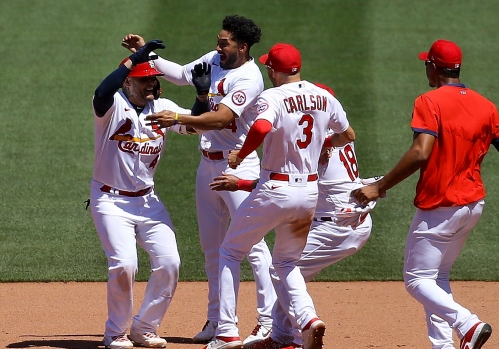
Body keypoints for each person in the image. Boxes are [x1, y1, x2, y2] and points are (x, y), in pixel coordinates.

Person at [352, 39, 499, 349]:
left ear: (434, 68)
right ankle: (443, 345)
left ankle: (468, 324)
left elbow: (421, 153)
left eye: (427, 63)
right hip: (473, 205)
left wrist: (378, 186)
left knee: (416, 280)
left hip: (440, 206)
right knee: (436, 277)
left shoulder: (429, 101)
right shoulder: (484, 105)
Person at [123, 15, 276, 346]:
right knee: (212, 250)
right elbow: (179, 76)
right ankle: (217, 319)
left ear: (243, 47)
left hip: (239, 166)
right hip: (207, 167)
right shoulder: (215, 59)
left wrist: (178, 116)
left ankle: (267, 321)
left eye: (225, 43)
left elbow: (221, 119)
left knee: (253, 246)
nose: (218, 46)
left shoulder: (249, 78)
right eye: (219, 41)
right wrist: (144, 55)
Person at [197, 43, 356, 349]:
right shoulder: (324, 97)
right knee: (285, 264)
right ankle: (308, 319)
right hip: (308, 193)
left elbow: (260, 126)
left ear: (274, 70)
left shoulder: (273, 96)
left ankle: (227, 332)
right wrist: (325, 144)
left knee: (230, 251)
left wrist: (240, 155)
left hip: (275, 189)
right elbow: (348, 135)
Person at [90, 40, 197, 349]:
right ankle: (116, 332)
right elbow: (100, 92)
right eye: (145, 78)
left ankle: (145, 327)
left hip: (149, 201)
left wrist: (202, 98)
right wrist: (133, 57)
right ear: (128, 82)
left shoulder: (163, 109)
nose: (152, 82)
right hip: (110, 200)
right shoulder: (112, 107)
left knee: (170, 263)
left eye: (154, 78)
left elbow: (194, 128)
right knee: (125, 264)